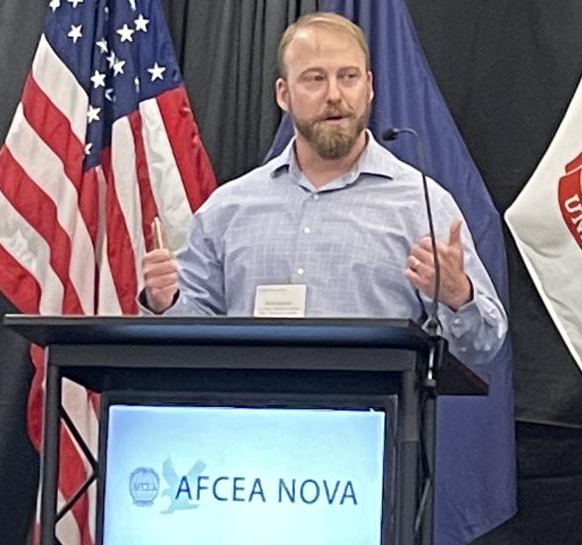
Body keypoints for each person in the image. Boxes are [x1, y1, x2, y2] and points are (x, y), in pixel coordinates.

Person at [140, 12, 506, 366]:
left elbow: (484, 345)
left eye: (348, 77)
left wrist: (460, 296)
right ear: (283, 94)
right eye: (315, 79)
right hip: (250, 418)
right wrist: (164, 301)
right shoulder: (228, 209)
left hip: (371, 418)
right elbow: (190, 334)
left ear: (370, 87)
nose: (334, 94)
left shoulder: (422, 205)